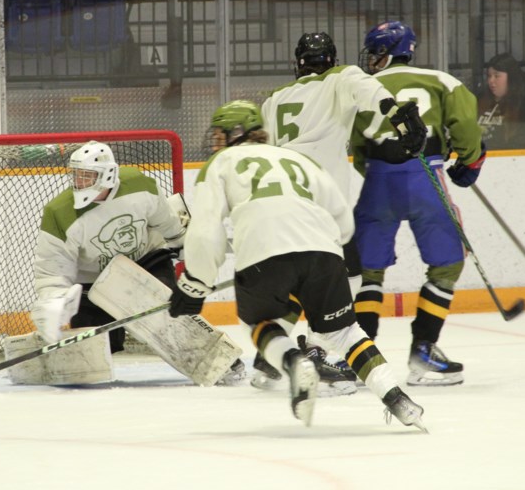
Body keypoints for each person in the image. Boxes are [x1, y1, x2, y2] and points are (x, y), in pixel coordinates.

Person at [167, 100, 426, 430]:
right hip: (324, 252)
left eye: (219, 135)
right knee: (345, 332)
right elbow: (343, 220)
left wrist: (194, 284)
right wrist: (350, 273)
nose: (215, 144)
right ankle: (397, 399)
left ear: (236, 133)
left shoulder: (221, 163)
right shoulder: (298, 159)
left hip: (262, 255)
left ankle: (293, 363)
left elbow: (205, 233)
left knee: (258, 323)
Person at [256, 31, 427, 390]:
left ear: (297, 62)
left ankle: (268, 359)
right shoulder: (341, 77)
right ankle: (316, 352)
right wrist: (401, 118)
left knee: (301, 275)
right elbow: (374, 93)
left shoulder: (274, 100)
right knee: (344, 277)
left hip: (281, 200)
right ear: (331, 59)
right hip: (321, 205)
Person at [30, 140, 245, 384]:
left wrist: (185, 246)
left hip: (146, 262)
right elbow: (52, 270)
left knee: (168, 316)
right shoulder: (59, 212)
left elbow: (167, 223)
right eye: (77, 176)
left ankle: (221, 360)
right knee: (91, 351)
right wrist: (53, 301)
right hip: (94, 282)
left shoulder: (138, 185)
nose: (80, 182)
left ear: (107, 175)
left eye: (88, 176)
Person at [351, 20, 485, 387]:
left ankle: (359, 359)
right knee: (447, 264)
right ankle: (423, 352)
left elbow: (357, 147)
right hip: (427, 176)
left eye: (376, 51)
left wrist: (379, 173)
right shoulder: (442, 81)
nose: (372, 59)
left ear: (391, 52)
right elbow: (466, 128)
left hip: (378, 179)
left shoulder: (362, 87)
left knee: (366, 272)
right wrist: (469, 160)